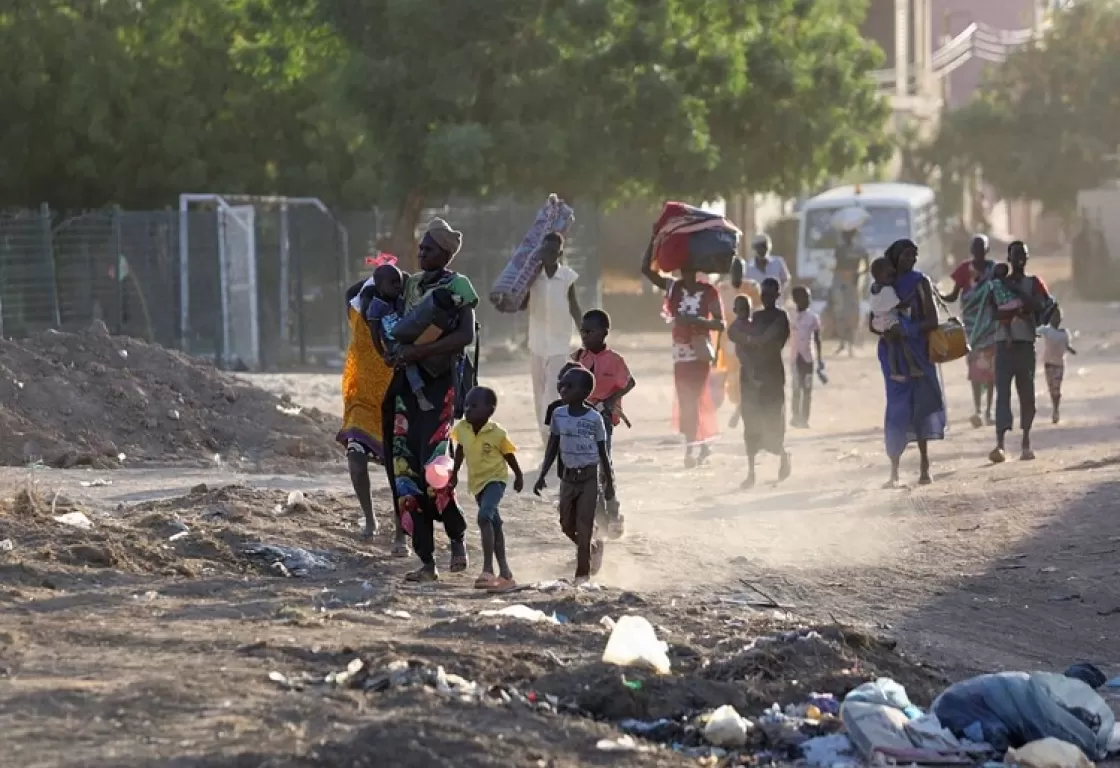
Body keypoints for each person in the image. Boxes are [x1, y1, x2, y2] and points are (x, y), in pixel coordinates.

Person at [382, 217, 479, 582]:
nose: (421, 253)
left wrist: (418, 354)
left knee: (436, 470)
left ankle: (456, 538)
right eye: (420, 248)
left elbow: (464, 336)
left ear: (445, 253)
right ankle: (426, 561)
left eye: (428, 249)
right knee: (405, 472)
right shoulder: (410, 286)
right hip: (407, 388)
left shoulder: (458, 286)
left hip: (441, 387)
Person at [870, 239, 946, 487]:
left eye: (914, 255)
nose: (910, 259)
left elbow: (932, 320)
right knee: (897, 409)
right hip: (893, 356)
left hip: (918, 351)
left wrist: (907, 329)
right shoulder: (881, 285)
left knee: (921, 407)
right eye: (905, 255)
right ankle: (894, 470)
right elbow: (873, 320)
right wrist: (886, 331)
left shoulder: (920, 282)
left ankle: (924, 465)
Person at [533, 366, 616, 583]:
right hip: (568, 478)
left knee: (584, 523)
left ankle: (582, 574)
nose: (563, 389)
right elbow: (552, 445)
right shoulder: (558, 414)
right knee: (566, 523)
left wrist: (608, 483)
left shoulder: (594, 418)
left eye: (569, 386)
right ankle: (588, 548)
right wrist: (542, 474)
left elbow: (603, 453)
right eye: (562, 384)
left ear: (585, 391)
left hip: (589, 477)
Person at [641, 258, 725, 468]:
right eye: (683, 269)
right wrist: (654, 239)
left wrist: (699, 321)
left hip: (699, 350)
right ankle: (699, 443)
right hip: (680, 352)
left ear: (697, 270)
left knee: (694, 397)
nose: (685, 273)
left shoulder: (709, 292)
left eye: (689, 269)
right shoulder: (674, 287)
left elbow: (720, 323)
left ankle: (692, 447)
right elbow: (646, 271)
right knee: (686, 398)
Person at [338, 269, 395, 539]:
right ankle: (370, 519)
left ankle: (401, 532)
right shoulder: (357, 317)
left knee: (400, 474)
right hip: (362, 403)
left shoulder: (398, 321)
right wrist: (375, 278)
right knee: (356, 461)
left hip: (396, 403)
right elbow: (352, 292)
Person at [450, 386, 524, 592]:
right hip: (477, 483)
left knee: (484, 517)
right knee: (495, 523)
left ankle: (487, 570)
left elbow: (509, 454)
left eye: (474, 406)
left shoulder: (497, 433)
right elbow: (460, 450)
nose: (467, 409)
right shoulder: (462, 428)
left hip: (495, 480)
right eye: (466, 405)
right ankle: (506, 573)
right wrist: (454, 473)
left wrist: (518, 475)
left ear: (489, 410)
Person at [989, 241, 1056, 463]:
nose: (1020, 259)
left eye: (1024, 255)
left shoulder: (1034, 283)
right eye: (1016, 255)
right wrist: (1018, 308)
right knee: (1003, 394)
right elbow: (992, 313)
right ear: (1009, 258)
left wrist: (1020, 295)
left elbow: (1043, 306)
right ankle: (999, 444)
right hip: (1003, 344)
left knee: (1027, 395)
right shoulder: (998, 284)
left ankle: (1026, 441)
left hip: (1025, 343)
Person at [571, 309, 635, 538]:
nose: (585, 335)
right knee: (585, 468)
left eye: (590, 331)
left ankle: (614, 511)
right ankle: (598, 517)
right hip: (579, 419)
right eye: (582, 331)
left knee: (603, 466)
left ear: (604, 333)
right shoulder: (579, 358)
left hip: (603, 420)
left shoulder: (615, 360)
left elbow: (630, 382)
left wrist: (610, 400)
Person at [730, 278, 791, 489]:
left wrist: (751, 341)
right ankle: (751, 471)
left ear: (777, 295)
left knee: (773, 420)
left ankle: (782, 455)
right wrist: (748, 346)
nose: (766, 298)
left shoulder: (781, 317)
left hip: (772, 375)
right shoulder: (754, 317)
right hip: (752, 376)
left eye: (771, 294)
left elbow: (770, 338)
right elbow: (735, 335)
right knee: (751, 423)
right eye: (764, 294)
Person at [525, 232, 582, 443]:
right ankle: (543, 433)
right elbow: (521, 304)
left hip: (559, 341)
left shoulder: (567, 277)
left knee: (552, 388)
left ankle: (550, 430)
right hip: (537, 341)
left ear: (559, 253)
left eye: (552, 251)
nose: (548, 255)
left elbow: (574, 306)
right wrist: (526, 282)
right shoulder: (533, 277)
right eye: (545, 251)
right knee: (538, 388)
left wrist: (584, 332)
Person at [942, 235, 997, 428]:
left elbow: (1000, 294)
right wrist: (936, 295)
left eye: (981, 249)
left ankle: (989, 410)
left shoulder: (994, 269)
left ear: (987, 251)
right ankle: (978, 410)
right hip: (972, 327)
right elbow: (953, 296)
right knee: (975, 369)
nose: (978, 253)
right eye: (975, 249)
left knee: (991, 370)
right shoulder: (964, 270)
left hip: (990, 325)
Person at [365, 263, 434, 411]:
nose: (397, 285)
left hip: (409, 336)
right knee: (409, 361)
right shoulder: (376, 307)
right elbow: (374, 333)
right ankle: (420, 395)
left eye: (399, 281)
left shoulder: (399, 300)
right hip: (394, 344)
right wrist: (383, 353)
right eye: (392, 282)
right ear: (379, 286)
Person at [868, 256, 924, 382]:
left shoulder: (874, 288)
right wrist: (912, 295)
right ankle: (912, 367)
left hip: (878, 322)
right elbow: (900, 305)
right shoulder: (887, 290)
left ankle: (894, 371)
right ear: (879, 276)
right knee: (905, 338)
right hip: (888, 321)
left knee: (892, 345)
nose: (892, 278)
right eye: (889, 275)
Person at [788, 286, 823, 429]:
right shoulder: (791, 316)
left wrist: (820, 359)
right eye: (805, 298)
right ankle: (795, 416)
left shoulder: (813, 318)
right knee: (796, 388)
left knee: (807, 389)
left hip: (808, 359)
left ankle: (804, 418)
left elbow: (817, 339)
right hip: (795, 358)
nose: (808, 301)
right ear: (796, 300)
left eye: (809, 298)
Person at [830, 229, 869, 356]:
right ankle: (844, 343)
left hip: (849, 283)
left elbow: (866, 266)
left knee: (850, 312)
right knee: (843, 312)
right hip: (844, 282)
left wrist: (857, 274)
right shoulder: (846, 249)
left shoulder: (853, 249)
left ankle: (850, 343)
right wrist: (858, 273)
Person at [1038, 307, 1076, 424]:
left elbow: (1066, 345)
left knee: (1056, 388)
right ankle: (1055, 409)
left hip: (1059, 364)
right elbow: (1035, 332)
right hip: (1049, 363)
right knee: (1052, 388)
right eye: (1054, 317)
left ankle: (1056, 410)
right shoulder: (1046, 330)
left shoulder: (1065, 333)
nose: (1056, 319)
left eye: (1058, 317)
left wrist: (1071, 350)